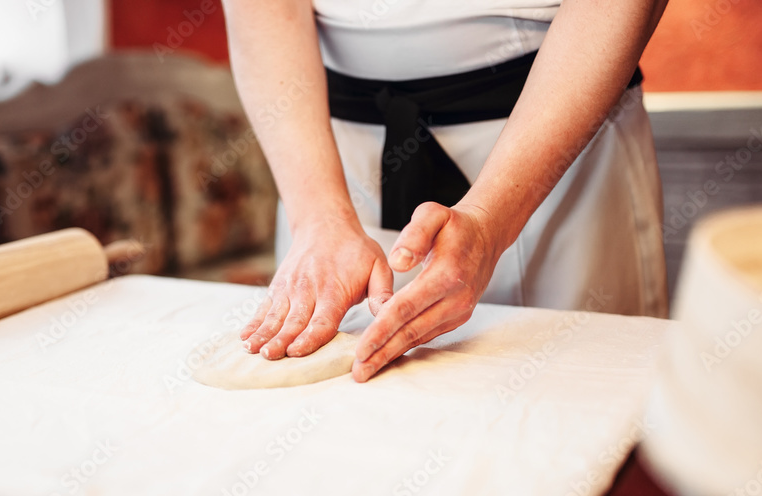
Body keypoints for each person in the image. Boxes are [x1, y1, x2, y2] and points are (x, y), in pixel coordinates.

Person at [222, 0, 669, 382]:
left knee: (574, 393)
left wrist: (490, 220)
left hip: (559, 137)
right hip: (324, 154)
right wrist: (318, 217)